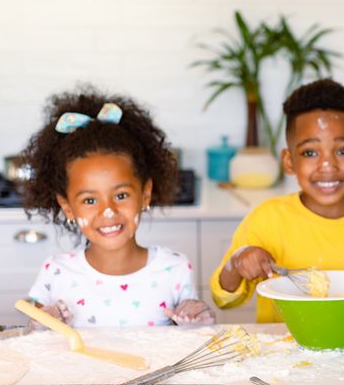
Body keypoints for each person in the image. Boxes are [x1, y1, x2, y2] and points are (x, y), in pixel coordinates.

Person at [210, 78, 344, 322]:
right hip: (284, 354)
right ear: (288, 161)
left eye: (343, 151)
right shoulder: (267, 219)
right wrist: (237, 263)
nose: (327, 165)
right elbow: (224, 299)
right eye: (310, 153)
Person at [17, 87, 215, 328]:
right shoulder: (56, 272)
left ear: (145, 194)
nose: (108, 211)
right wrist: (42, 326)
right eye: (90, 200)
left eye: (120, 195)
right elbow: (34, 341)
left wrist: (198, 320)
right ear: (67, 207)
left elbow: (188, 341)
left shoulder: (174, 268)